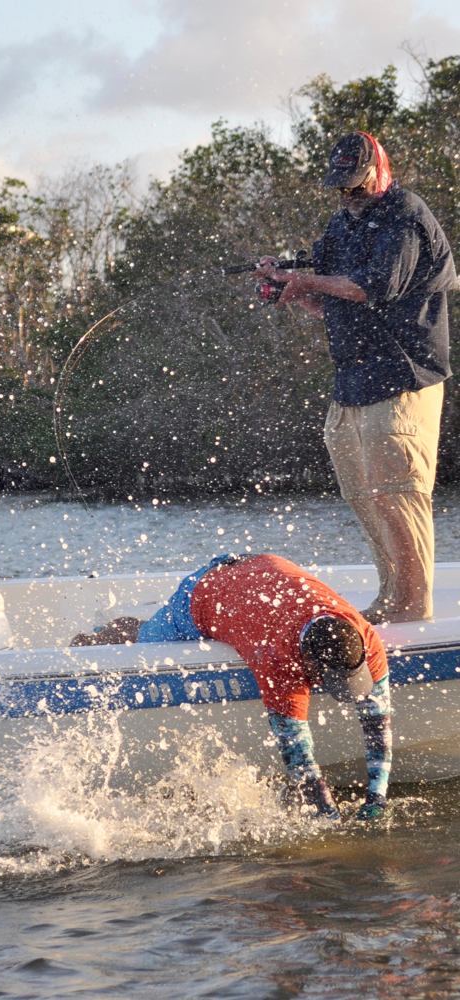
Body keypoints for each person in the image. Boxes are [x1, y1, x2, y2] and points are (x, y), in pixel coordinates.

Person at [257, 132, 457, 623]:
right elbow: (328, 300)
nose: (348, 196)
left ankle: (414, 609)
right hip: (355, 379)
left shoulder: (404, 213)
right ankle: (392, 598)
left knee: (397, 489)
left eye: (356, 186)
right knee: (360, 489)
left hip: (404, 376)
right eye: (340, 188)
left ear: (378, 171)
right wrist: (290, 287)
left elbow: (372, 287)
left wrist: (304, 280)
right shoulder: (341, 225)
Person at [71, 553, 392, 821]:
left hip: (258, 569)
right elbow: (298, 755)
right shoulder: (275, 657)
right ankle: (94, 638)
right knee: (144, 639)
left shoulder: (361, 637)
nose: (340, 689)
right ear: (306, 662)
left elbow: (377, 723)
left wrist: (376, 799)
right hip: (203, 593)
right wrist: (328, 816)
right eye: (329, 680)